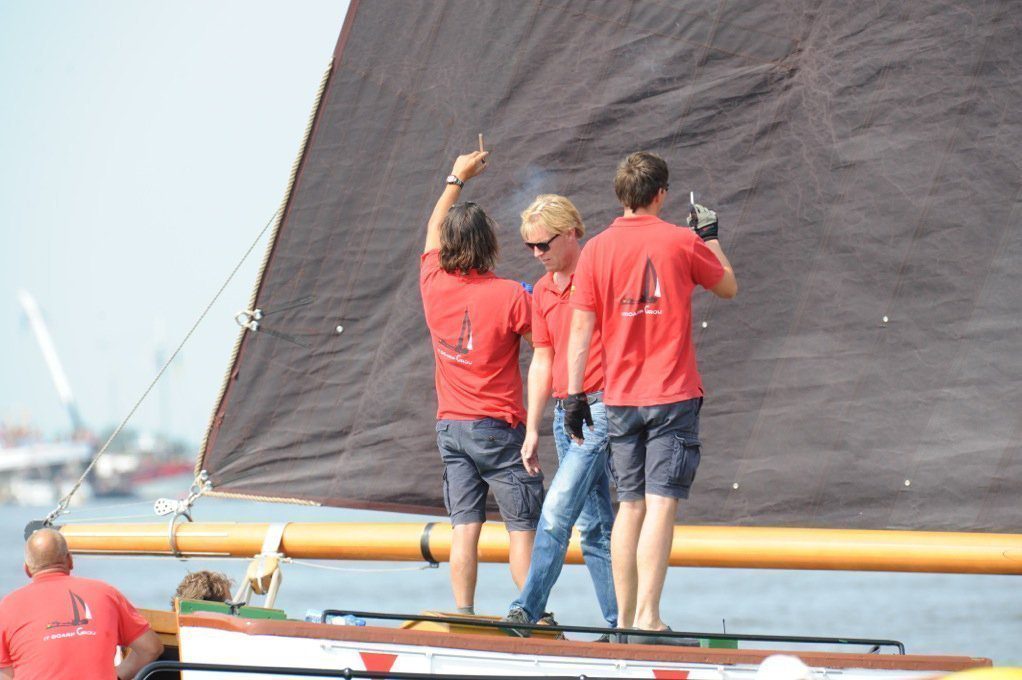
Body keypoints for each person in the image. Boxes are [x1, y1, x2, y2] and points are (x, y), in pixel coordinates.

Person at [564, 151, 737, 644]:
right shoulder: (683, 241)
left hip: (617, 398)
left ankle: (621, 621)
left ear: (621, 194)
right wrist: (711, 239)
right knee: (661, 505)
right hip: (673, 396)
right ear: (660, 194)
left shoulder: (594, 250)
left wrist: (575, 395)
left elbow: (581, 327)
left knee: (630, 507)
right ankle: (648, 618)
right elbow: (728, 286)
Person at [419, 148, 543, 614]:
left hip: (451, 428)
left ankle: (463, 612)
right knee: (521, 528)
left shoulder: (432, 282)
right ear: (489, 242)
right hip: (500, 430)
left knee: (464, 528)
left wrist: (457, 176)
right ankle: (533, 613)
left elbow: (432, 230)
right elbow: (543, 349)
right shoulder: (512, 295)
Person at [503, 195, 616, 636]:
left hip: (599, 407)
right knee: (596, 528)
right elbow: (543, 358)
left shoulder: (601, 275)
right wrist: (531, 428)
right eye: (530, 247)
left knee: (556, 512)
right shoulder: (545, 290)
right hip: (562, 413)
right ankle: (622, 622)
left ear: (571, 232)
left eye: (543, 243)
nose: (537, 253)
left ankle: (526, 609)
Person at [0, 528, 164, 679]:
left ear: (27, 569)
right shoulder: (106, 593)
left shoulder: (7, 607)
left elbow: (5, 674)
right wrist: (118, 676)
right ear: (70, 560)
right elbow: (150, 648)